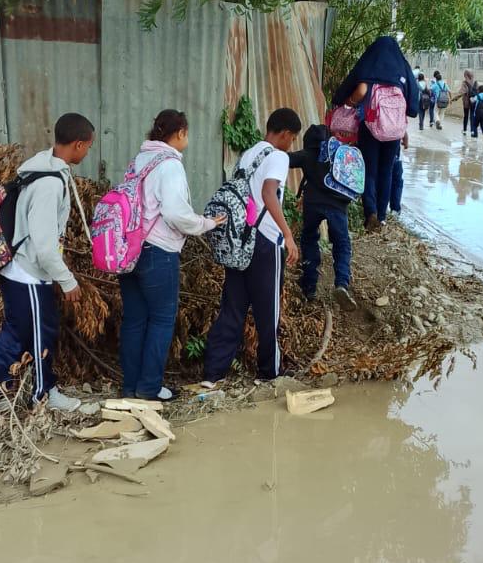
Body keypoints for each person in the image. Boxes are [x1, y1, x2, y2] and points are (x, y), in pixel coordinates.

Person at [0, 111, 94, 413]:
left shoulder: (43, 170)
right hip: (29, 273)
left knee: (18, 331)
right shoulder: (49, 184)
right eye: (87, 146)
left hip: (21, 269)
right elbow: (45, 247)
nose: (87, 152)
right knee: (40, 334)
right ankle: (43, 396)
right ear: (77, 144)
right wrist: (67, 280)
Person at [118, 110, 223, 402]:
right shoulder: (169, 165)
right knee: (162, 320)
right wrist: (205, 223)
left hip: (129, 251)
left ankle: (130, 387)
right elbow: (176, 213)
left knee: (135, 320)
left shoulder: (139, 161)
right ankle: (149, 388)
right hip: (158, 252)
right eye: (186, 133)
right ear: (179, 133)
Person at [201, 108, 302, 384]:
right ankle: (270, 373)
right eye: (291, 139)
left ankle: (213, 374)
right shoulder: (278, 156)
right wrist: (288, 235)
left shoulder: (248, 154)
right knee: (268, 311)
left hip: (240, 241)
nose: (290, 144)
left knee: (233, 307)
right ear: (284, 134)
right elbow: (269, 193)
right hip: (266, 242)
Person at [331, 35, 419, 231]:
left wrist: (346, 103)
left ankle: (369, 212)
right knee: (386, 171)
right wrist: (403, 130)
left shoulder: (369, 65)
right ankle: (381, 215)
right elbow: (413, 105)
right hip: (394, 131)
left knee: (370, 169)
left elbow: (359, 89)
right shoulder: (402, 69)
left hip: (370, 127)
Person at [288, 121, 356, 309]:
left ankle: (309, 285)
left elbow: (287, 159)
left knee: (309, 239)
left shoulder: (308, 154)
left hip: (313, 203)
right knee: (342, 244)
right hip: (337, 205)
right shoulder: (339, 154)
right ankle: (341, 284)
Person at [453, 69, 477, 135]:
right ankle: (472, 131)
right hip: (473, 102)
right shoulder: (475, 82)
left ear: (465, 75)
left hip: (466, 102)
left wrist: (454, 98)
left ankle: (464, 130)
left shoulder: (465, 83)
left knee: (466, 116)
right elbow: (478, 91)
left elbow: (461, 92)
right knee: (472, 116)